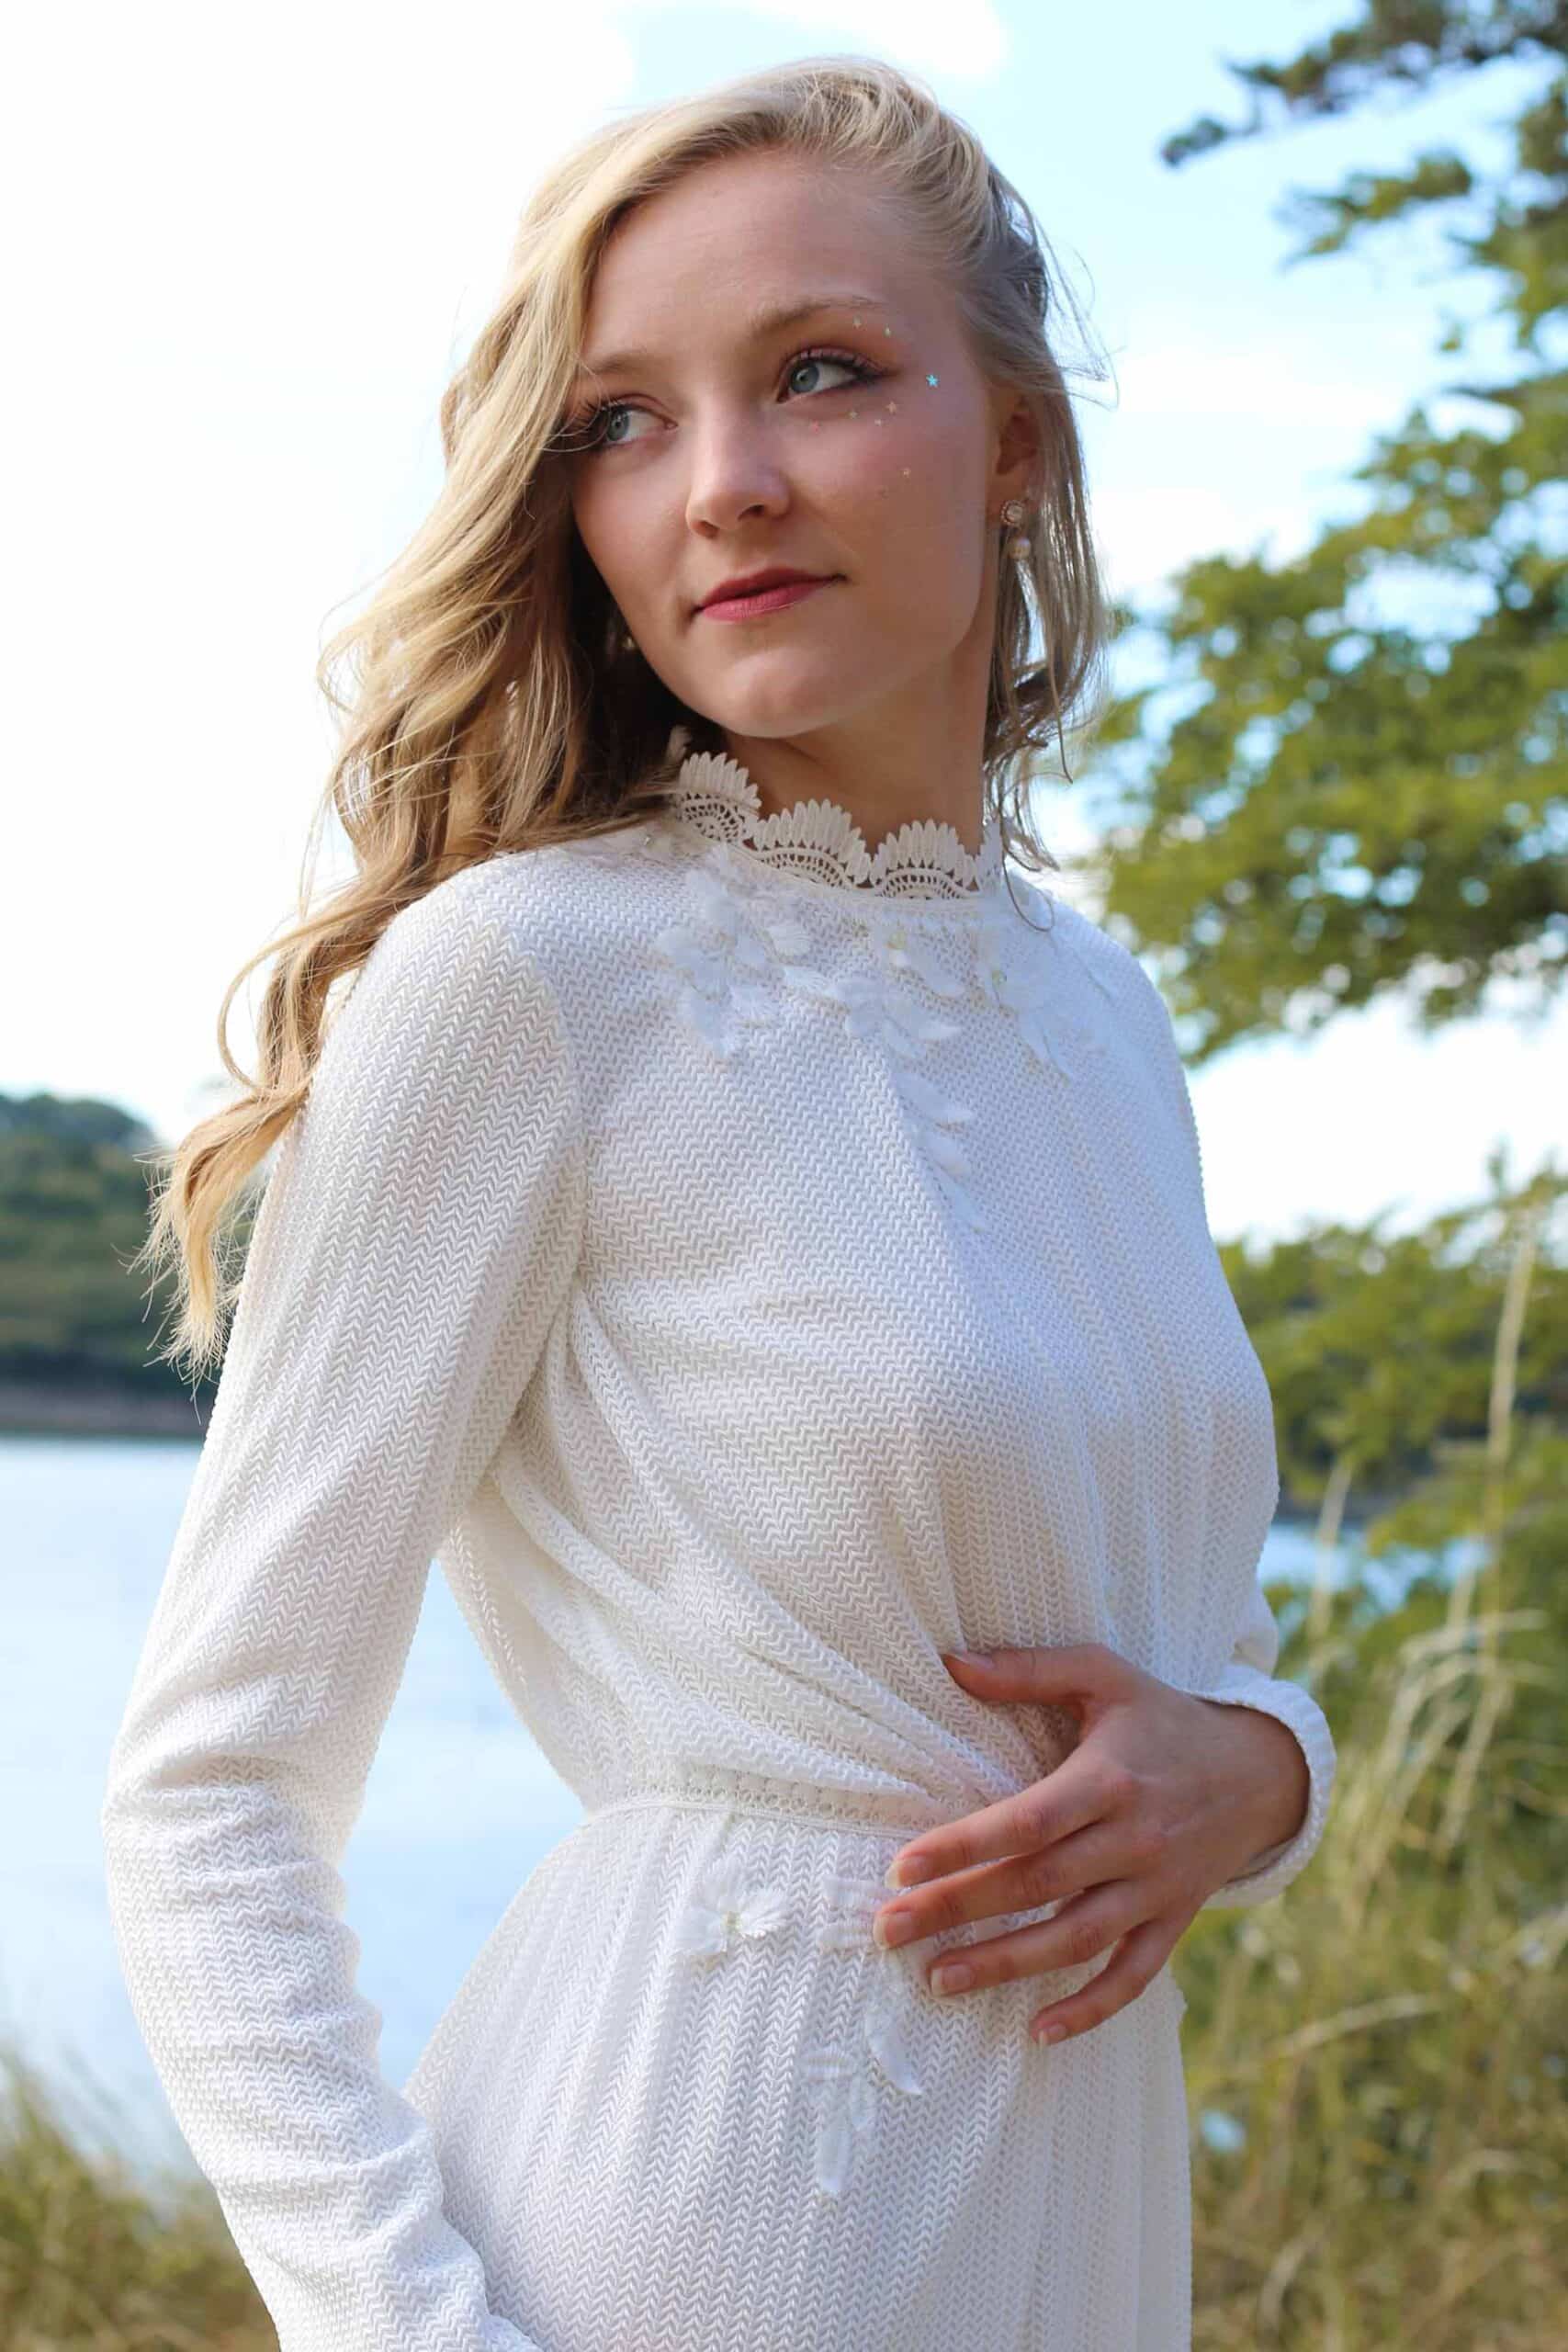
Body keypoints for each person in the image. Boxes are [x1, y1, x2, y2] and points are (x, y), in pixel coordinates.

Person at [102, 51, 1337, 2352]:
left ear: (1013, 439)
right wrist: (413, 2332)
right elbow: (205, 1789)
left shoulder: (1101, 1015)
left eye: (819, 372)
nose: (723, 483)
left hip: (1076, 2218)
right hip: (683, 2219)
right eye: (621, 421)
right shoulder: (524, 978)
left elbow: (1186, 1647)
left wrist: (1254, 1774)